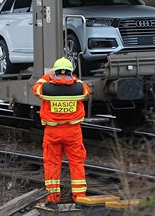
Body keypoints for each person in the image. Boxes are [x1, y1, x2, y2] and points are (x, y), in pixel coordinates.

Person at [32, 57, 91, 206]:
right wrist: (72, 78)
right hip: (73, 132)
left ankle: (52, 199)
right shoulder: (78, 88)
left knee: (52, 164)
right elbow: (86, 89)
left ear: (55, 72)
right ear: (71, 72)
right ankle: (80, 198)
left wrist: (48, 76)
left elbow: (36, 88)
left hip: (53, 132)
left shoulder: (46, 89)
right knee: (77, 163)